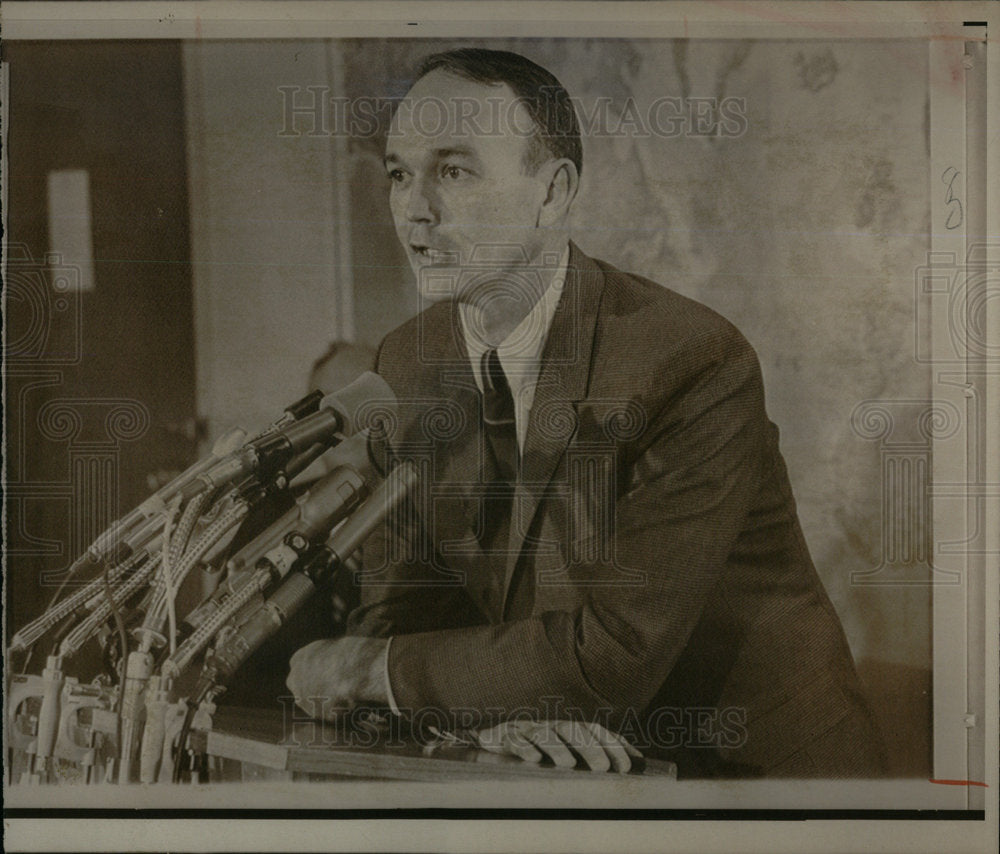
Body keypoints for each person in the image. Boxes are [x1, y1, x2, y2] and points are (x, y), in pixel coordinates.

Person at [286, 48, 887, 778]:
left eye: (453, 170)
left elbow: (614, 654)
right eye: (399, 173)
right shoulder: (406, 363)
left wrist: (367, 675)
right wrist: (483, 715)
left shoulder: (691, 362)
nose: (414, 208)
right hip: (560, 761)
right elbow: (404, 611)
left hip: (748, 780)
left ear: (552, 193)